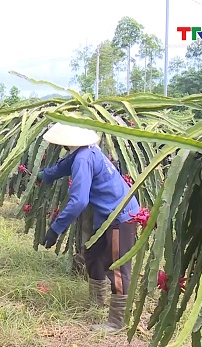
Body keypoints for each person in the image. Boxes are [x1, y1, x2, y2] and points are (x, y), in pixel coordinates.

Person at [37, 122, 140, 332]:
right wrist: (42, 176)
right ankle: (96, 303)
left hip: (120, 216)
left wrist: (55, 229)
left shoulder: (83, 158)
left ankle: (117, 321)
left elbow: (79, 201)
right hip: (106, 217)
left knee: (118, 267)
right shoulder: (84, 152)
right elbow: (61, 167)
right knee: (93, 255)